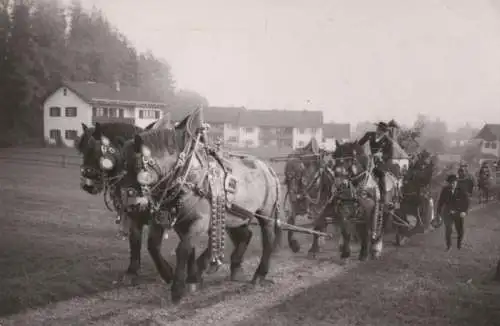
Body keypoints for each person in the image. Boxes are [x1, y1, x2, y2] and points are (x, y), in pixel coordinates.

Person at [357, 121, 394, 204]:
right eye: (378, 129)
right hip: (369, 158)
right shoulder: (369, 135)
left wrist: (381, 155)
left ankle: (383, 197)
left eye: (381, 130)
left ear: (384, 132)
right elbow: (359, 144)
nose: (378, 131)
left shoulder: (388, 141)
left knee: (381, 174)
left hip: (380, 162)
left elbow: (389, 154)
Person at [436, 174, 469, 251]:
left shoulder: (461, 190)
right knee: (448, 229)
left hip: (459, 213)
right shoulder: (445, 190)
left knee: (460, 230)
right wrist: (438, 213)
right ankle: (449, 246)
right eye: (451, 183)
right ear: (448, 183)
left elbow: (466, 202)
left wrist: (464, 212)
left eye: (454, 182)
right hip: (448, 213)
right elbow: (440, 202)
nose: (452, 184)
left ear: (457, 182)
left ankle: (459, 245)